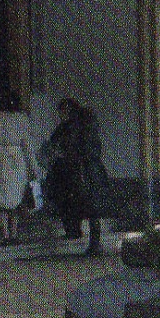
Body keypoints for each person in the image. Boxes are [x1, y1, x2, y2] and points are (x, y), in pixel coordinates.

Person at [43, 96, 110, 256]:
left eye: (61, 112)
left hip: (76, 170)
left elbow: (58, 144)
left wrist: (62, 155)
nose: (60, 115)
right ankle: (92, 241)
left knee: (71, 201)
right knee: (91, 207)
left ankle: (75, 231)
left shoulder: (70, 127)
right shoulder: (87, 126)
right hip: (90, 171)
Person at [0, 92, 39, 243]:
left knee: (0, 198)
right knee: (15, 197)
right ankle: (14, 233)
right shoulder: (22, 119)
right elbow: (28, 146)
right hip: (17, 160)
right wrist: (34, 168)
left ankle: (6, 234)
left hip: (0, 160)